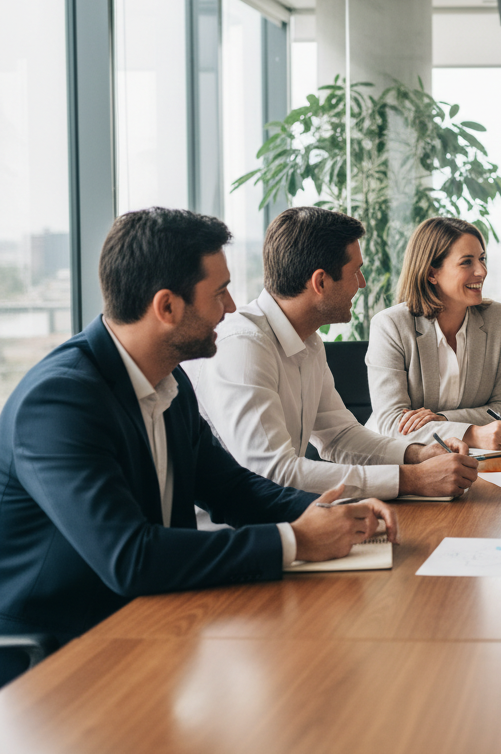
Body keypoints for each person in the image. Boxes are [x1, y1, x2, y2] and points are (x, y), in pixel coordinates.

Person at [0, 208, 396, 686]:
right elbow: (130, 558)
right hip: (62, 663)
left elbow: (231, 488)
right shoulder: (59, 401)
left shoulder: (167, 380)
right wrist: (296, 540)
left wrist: (336, 511)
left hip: (158, 625)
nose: (230, 308)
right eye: (219, 292)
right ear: (167, 307)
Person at [188, 207, 476, 501]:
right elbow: (274, 474)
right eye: (356, 272)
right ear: (320, 282)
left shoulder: (308, 340)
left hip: (290, 519)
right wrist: (412, 479)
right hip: (236, 534)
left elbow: (339, 436)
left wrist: (417, 455)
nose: (362, 283)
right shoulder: (244, 346)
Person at [366, 217, 501, 451]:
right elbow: (392, 423)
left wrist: (443, 419)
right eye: (466, 262)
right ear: (432, 274)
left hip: (474, 459)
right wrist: (472, 433)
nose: (481, 271)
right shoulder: (390, 326)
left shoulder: (498, 319)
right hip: (398, 460)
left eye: (482, 259)